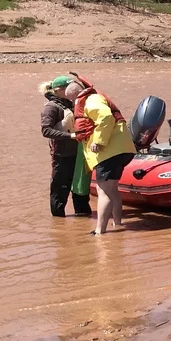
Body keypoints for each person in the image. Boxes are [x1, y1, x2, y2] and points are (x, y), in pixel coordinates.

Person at [62, 74, 136, 236]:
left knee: (104, 191)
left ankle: (100, 231)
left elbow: (106, 117)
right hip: (121, 149)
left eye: (71, 99)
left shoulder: (91, 100)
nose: (72, 103)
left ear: (76, 95)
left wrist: (99, 141)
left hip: (109, 151)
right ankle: (117, 224)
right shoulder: (93, 98)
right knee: (113, 190)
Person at [39, 75, 92, 218]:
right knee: (60, 191)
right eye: (68, 88)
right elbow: (46, 131)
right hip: (62, 156)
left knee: (80, 190)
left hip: (80, 154)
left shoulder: (74, 104)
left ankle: (82, 221)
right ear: (58, 90)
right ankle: (58, 221)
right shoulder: (51, 107)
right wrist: (71, 136)